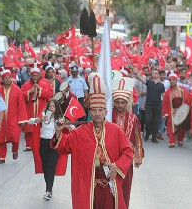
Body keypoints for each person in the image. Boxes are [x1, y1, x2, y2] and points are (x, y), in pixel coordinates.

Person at [51, 73, 133, 209]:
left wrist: (116, 167)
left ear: (106, 112)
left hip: (109, 181)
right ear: (90, 112)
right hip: (87, 183)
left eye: (100, 110)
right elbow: (63, 146)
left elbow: (128, 151)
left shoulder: (116, 131)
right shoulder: (80, 132)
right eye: (94, 110)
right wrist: (59, 131)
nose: (97, 114)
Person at [28, 99, 71, 200]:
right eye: (50, 106)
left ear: (56, 108)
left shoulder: (60, 118)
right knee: (45, 167)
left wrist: (65, 124)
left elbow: (72, 127)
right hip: (43, 143)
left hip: (54, 144)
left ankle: (48, 190)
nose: (51, 108)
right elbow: (30, 121)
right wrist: (40, 120)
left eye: (53, 106)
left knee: (51, 167)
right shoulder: (43, 115)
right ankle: (49, 188)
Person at [112, 88, 144, 208]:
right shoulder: (108, 117)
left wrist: (138, 157)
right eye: (117, 102)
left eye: (122, 103)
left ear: (126, 103)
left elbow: (137, 138)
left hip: (127, 160)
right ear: (114, 102)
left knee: (125, 188)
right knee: (110, 188)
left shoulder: (133, 118)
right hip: (110, 158)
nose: (120, 105)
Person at [0, 70, 28, 164]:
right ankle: (2, 157)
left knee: (15, 136)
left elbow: (21, 105)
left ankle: (15, 150)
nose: (8, 79)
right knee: (0, 138)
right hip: (1, 118)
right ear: (2, 79)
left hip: (14, 118)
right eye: (6, 78)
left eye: (9, 77)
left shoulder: (17, 90)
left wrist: (21, 120)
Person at [21, 66, 53, 151]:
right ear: (30, 76)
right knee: (29, 126)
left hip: (41, 108)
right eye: (33, 75)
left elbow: (50, 94)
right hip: (30, 109)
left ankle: (39, 142)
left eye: (36, 75)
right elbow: (21, 96)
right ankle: (28, 144)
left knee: (40, 125)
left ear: (39, 76)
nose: (35, 77)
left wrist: (40, 90)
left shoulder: (44, 84)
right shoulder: (26, 85)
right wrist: (29, 92)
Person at [133, 68, 165, 143]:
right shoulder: (149, 82)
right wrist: (136, 72)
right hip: (149, 105)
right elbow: (140, 78)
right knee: (148, 120)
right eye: (153, 73)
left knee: (156, 121)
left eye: (156, 73)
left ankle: (154, 137)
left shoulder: (161, 85)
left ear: (158, 75)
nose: (154, 74)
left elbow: (164, 96)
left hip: (157, 105)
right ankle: (147, 133)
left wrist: (164, 104)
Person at [162, 71, 189, 148]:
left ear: (176, 80)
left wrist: (185, 109)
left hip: (181, 111)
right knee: (171, 127)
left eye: (173, 80)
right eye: (170, 80)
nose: (171, 81)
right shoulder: (167, 92)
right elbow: (165, 103)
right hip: (172, 111)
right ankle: (172, 141)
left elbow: (187, 99)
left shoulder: (183, 90)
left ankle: (180, 140)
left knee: (181, 127)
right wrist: (166, 113)